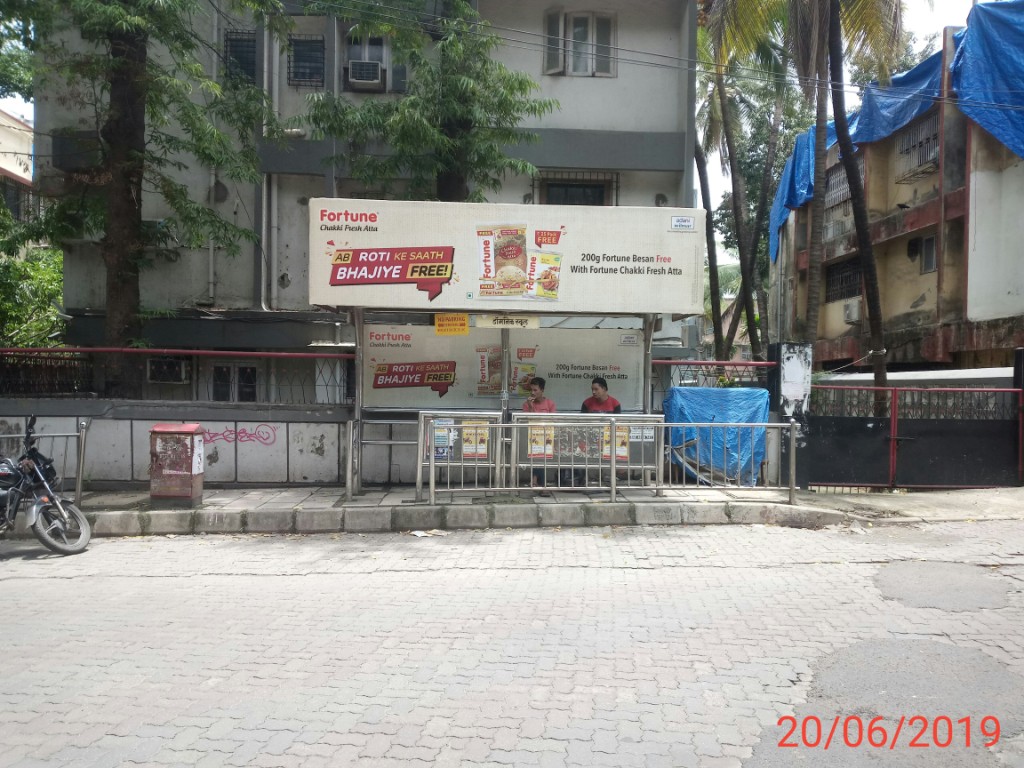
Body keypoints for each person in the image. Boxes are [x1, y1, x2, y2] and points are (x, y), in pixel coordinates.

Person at [574, 376, 622, 486]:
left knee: (610, 460)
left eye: (596, 389)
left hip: (608, 439)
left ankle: (610, 482)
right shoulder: (587, 403)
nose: (593, 392)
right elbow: (582, 422)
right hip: (590, 438)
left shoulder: (615, 403)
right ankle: (586, 481)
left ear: (604, 389)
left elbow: (618, 423)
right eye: (592, 389)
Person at [523, 377, 556, 489]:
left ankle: (535, 480)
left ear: (542, 390)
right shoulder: (526, 404)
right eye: (531, 390)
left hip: (547, 436)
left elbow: (553, 420)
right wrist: (531, 407)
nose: (533, 393)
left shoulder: (550, 404)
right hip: (533, 437)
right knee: (537, 457)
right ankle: (540, 483)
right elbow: (528, 420)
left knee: (542, 458)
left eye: (535, 390)